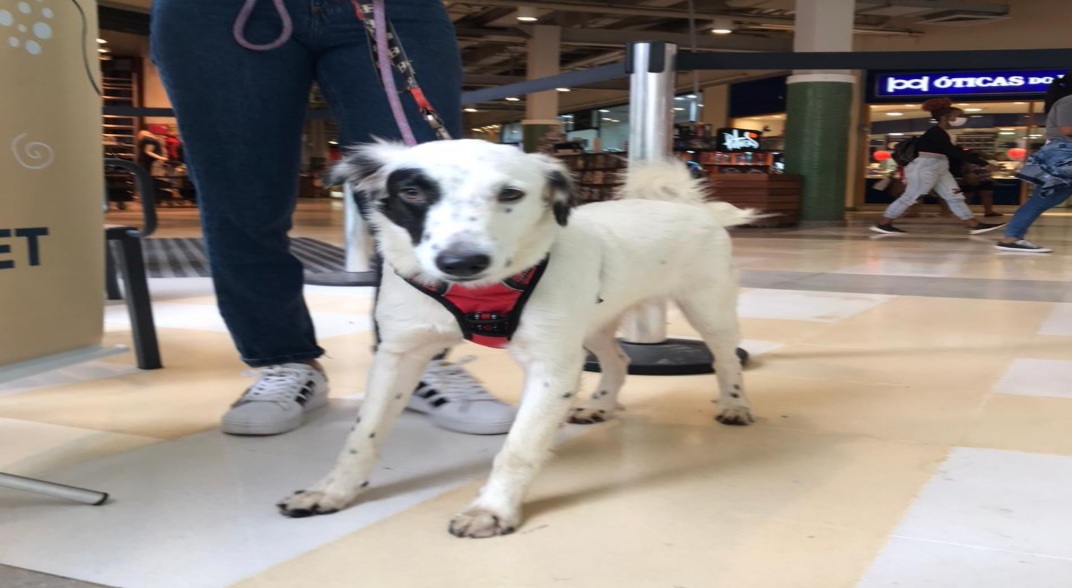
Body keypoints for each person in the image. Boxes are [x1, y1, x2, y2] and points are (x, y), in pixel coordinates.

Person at [151, 0, 516, 436]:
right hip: (219, 12)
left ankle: (417, 361)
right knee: (239, 194)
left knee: (424, 192)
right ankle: (283, 360)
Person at [872, 98, 1007, 235]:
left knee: (954, 195)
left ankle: (973, 223)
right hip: (925, 167)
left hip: (939, 166)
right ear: (945, 117)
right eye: (957, 116)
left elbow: (953, 151)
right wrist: (984, 163)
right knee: (912, 195)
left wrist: (981, 160)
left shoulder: (941, 133)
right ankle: (884, 222)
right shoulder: (935, 133)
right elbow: (952, 151)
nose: (960, 119)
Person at [995, 73, 1072, 253]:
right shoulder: (1068, 101)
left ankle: (1011, 236)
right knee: (1047, 197)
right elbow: (1067, 129)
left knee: (1048, 197)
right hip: (1064, 153)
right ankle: (1011, 236)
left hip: (1064, 152)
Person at [953, 151, 1002, 218]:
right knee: (968, 195)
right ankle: (963, 212)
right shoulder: (966, 158)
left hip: (984, 178)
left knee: (987, 194)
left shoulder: (984, 157)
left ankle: (988, 211)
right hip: (972, 177)